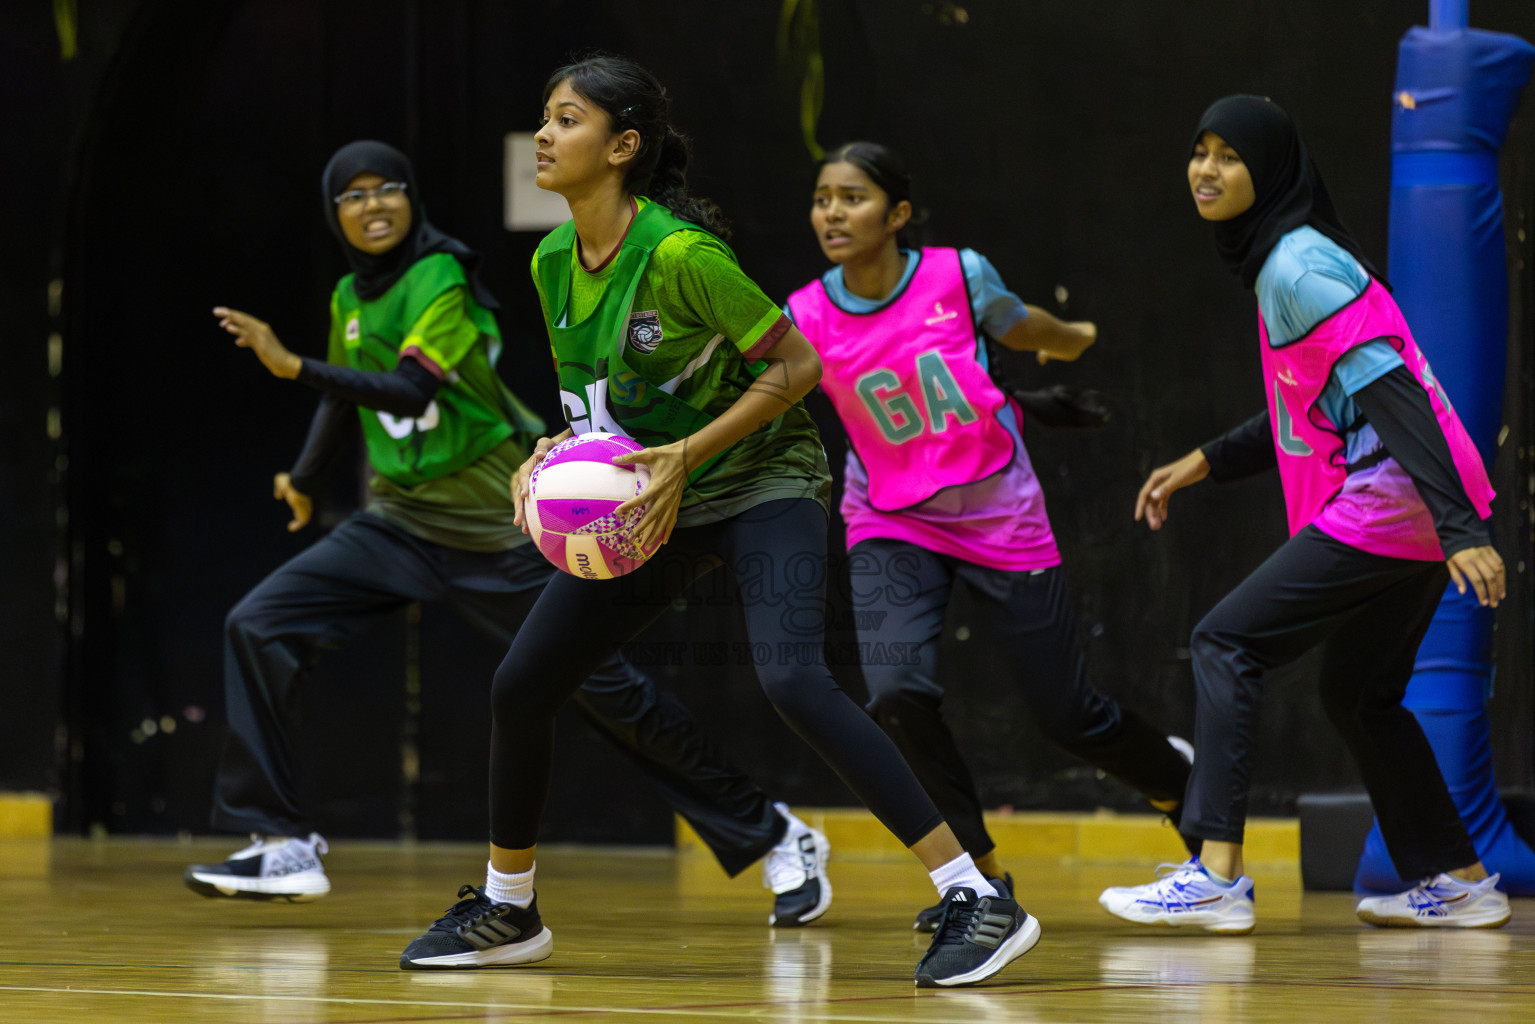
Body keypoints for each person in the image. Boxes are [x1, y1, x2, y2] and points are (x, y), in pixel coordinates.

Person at [397, 56, 1039, 988]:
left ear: (622, 146)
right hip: (655, 487)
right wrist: (550, 454)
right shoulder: (550, 259)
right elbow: (595, 408)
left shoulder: (682, 256)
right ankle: (509, 907)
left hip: (760, 476)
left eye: (566, 119)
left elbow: (797, 368)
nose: (543, 134)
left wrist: (686, 456)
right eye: (544, 117)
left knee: (794, 681)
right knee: (523, 682)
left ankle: (973, 893)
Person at [190, 140, 829, 925]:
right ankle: (281, 841)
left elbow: (409, 387)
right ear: (333, 212)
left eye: (387, 187)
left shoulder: (442, 275)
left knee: (606, 694)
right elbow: (341, 394)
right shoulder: (350, 296)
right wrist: (305, 476)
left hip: (496, 522)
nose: (372, 204)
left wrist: (290, 366)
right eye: (352, 195)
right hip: (399, 520)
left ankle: (773, 834)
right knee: (258, 622)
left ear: (411, 197)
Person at [1098, 95, 1512, 933]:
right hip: (1416, 504)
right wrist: (1205, 461)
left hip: (1395, 500)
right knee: (1357, 692)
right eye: (1199, 151)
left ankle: (1215, 873)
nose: (1206, 170)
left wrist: (1460, 528)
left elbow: (1393, 394)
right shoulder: (1288, 256)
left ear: (1271, 170)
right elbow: (1314, 406)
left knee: (1225, 641)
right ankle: (1459, 881)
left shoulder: (1294, 264)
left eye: (1229, 156)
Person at [785, 141, 1197, 932]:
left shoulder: (956, 276)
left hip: (996, 513)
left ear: (897, 215)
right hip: (889, 518)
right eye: (821, 198)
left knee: (1067, 716)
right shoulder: (804, 315)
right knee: (895, 693)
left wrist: (1072, 335)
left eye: (852, 197)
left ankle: (1175, 780)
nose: (831, 213)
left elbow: (1021, 325)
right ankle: (976, 876)